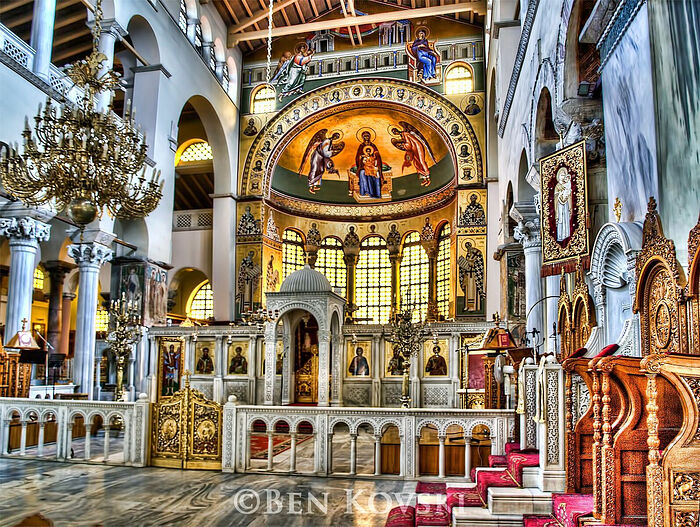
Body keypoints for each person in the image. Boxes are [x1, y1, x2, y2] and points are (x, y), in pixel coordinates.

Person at [355, 131, 384, 199]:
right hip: (364, 167)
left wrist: (374, 156)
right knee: (362, 173)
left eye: (367, 136)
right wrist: (362, 157)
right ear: (363, 137)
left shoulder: (373, 146)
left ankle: (376, 193)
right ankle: (366, 191)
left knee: (376, 174)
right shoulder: (361, 146)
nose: (366, 137)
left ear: (370, 137)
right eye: (365, 136)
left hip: (373, 167)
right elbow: (358, 157)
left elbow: (377, 156)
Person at [554, 167, 573, 241]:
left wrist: (567, 194)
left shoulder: (567, 184)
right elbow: (556, 197)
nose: (563, 177)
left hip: (566, 205)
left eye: (564, 175)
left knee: (566, 218)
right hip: (559, 205)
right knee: (560, 219)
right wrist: (560, 195)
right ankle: (560, 236)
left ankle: (566, 235)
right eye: (561, 175)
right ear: (558, 176)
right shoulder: (557, 186)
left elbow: (569, 195)